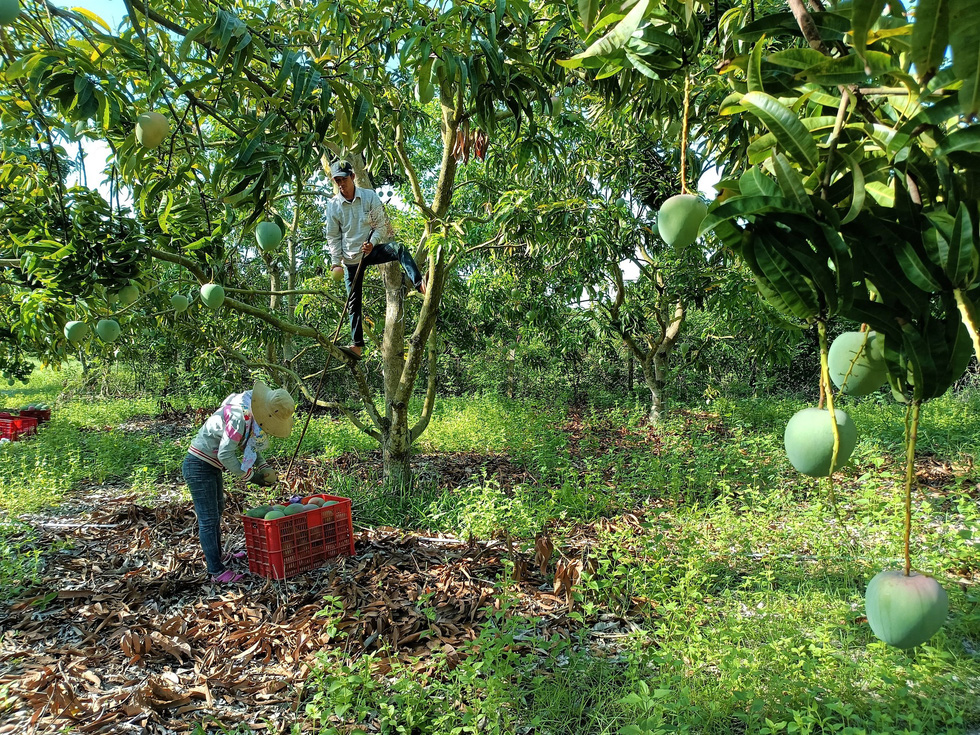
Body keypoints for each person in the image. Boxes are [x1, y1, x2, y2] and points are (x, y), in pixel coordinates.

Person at [181, 380, 295, 583]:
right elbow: (226, 454)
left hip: (209, 466)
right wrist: (251, 477)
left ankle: (218, 556)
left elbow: (250, 446)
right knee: (208, 519)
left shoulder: (248, 411)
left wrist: (262, 467)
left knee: (217, 509)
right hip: (199, 465)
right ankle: (216, 571)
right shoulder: (238, 417)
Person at [325, 160, 426, 358]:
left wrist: (372, 243)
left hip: (371, 250)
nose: (340, 184)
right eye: (337, 180)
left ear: (352, 177)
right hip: (351, 259)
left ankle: (420, 284)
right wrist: (336, 262)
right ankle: (357, 346)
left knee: (398, 248)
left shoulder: (369, 196)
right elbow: (333, 236)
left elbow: (381, 225)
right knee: (353, 302)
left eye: (343, 179)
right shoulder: (333, 205)